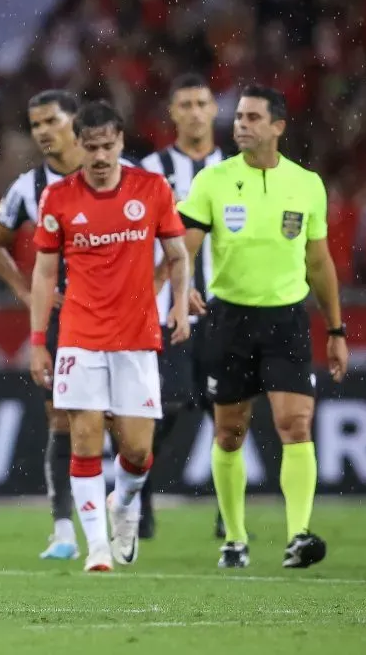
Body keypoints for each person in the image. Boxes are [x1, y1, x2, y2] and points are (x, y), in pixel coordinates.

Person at [177, 85, 348, 570]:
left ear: (278, 126)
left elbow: (319, 262)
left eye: (253, 117)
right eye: (239, 117)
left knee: (295, 425)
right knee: (229, 433)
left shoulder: (307, 185)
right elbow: (185, 243)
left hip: (287, 320)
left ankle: (298, 535)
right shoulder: (213, 180)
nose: (241, 124)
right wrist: (182, 284)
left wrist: (336, 331)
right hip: (228, 319)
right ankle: (234, 537)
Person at [29, 100, 190, 572]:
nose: (100, 157)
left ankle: (124, 504)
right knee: (83, 440)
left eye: (108, 146)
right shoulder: (57, 199)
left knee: (137, 451)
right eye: (91, 147)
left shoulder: (152, 188)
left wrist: (180, 304)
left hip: (137, 335)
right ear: (78, 145)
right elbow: (43, 274)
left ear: (121, 142)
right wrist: (39, 339)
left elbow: (178, 255)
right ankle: (97, 547)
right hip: (79, 334)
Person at [0, 89, 83, 560]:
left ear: (75, 122)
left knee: (127, 431)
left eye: (50, 121)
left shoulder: (119, 175)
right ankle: (63, 528)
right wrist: (26, 293)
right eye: (35, 124)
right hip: (62, 319)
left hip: (118, 316)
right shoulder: (30, 187)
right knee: (61, 420)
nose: (41, 131)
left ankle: (122, 502)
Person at [139, 73, 225, 540]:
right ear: (172, 114)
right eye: (185, 104)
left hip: (223, 310)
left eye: (202, 103)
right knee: (167, 409)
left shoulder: (235, 169)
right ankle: (143, 494)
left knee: (226, 412)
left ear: (214, 110)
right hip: (166, 310)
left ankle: (227, 510)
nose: (194, 112)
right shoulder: (150, 169)